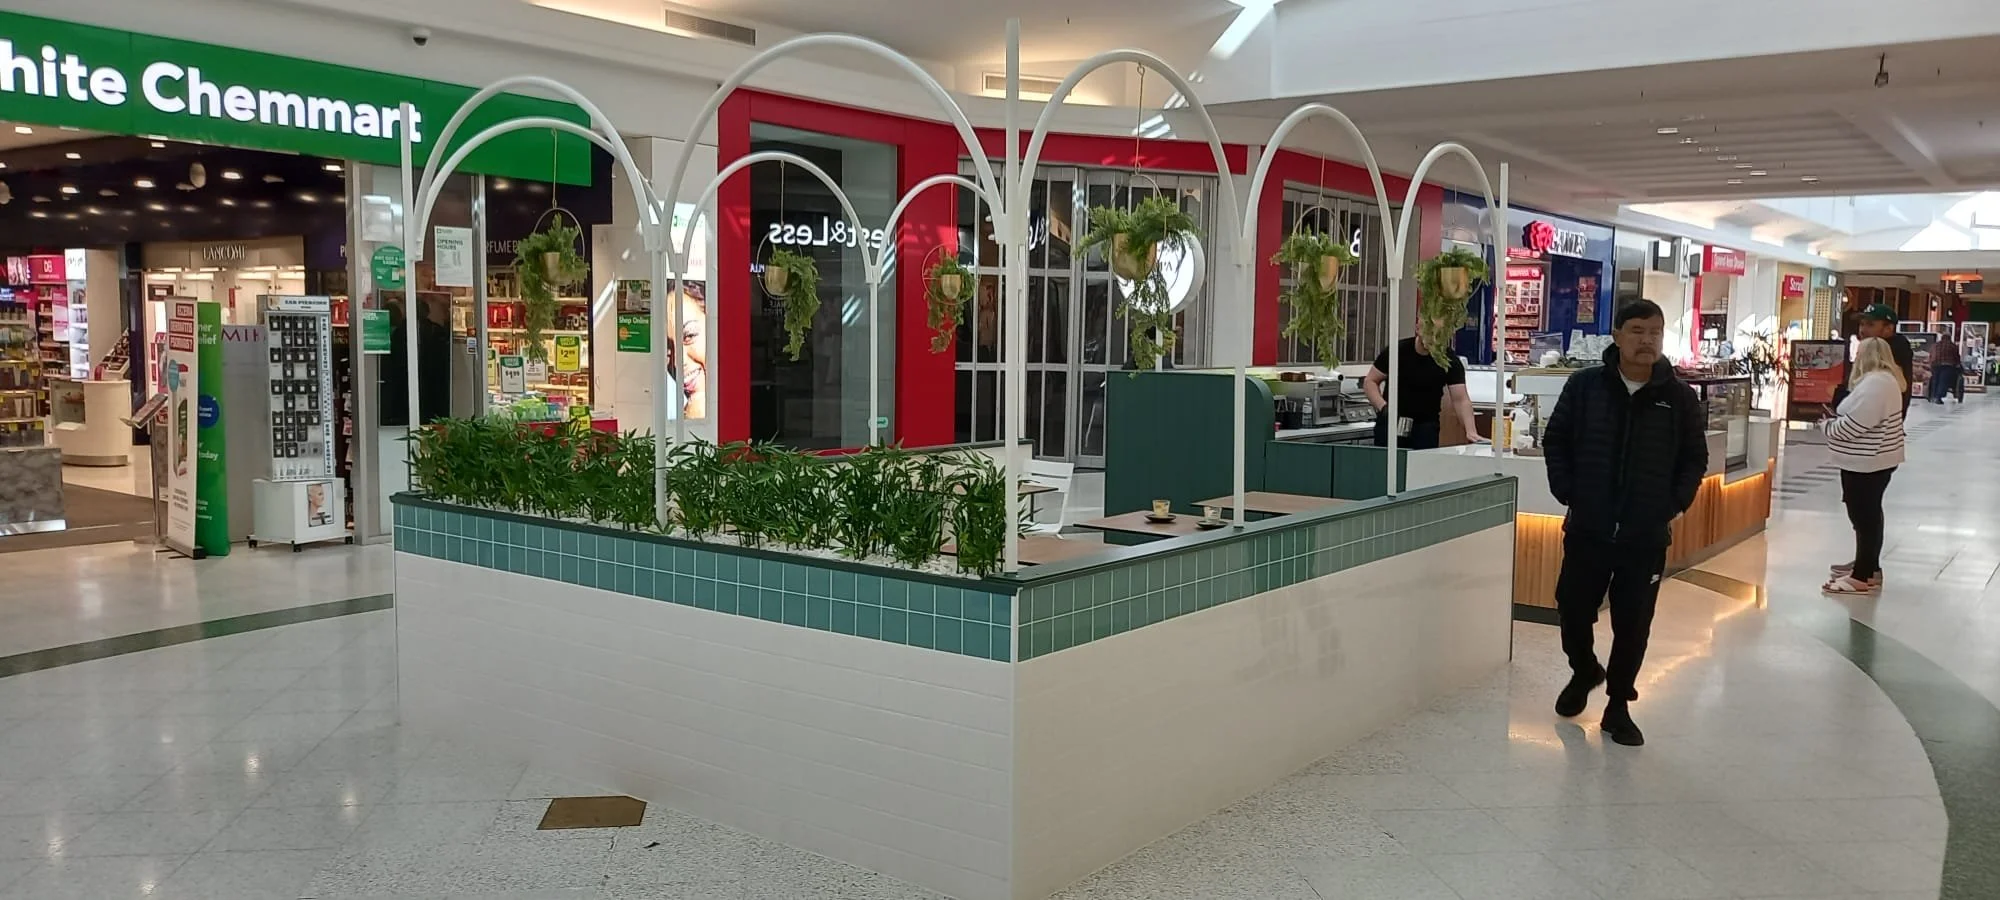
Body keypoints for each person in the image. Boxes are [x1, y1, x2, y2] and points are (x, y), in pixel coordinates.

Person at [1541, 300, 1708, 747]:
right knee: (1573, 609)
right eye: (1637, 330)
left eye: (1655, 331)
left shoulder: (1679, 397)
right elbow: (1555, 439)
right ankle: (1584, 670)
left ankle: (1618, 705)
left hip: (1644, 534)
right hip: (1589, 526)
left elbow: (1695, 458)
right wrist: (1568, 490)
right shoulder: (1584, 387)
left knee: (1633, 624)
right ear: (1616, 335)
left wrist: (1672, 503)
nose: (1647, 340)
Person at [1821, 338, 1907, 594]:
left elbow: (1855, 426)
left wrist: (1826, 426)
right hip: (1875, 459)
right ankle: (1867, 566)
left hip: (1867, 461)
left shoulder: (1876, 385)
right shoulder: (1885, 381)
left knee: (1864, 516)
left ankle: (1861, 575)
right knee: (1868, 515)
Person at [1363, 321, 1483, 450]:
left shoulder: (1448, 359)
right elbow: (1370, 381)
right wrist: (1383, 407)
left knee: (1422, 466)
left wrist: (1471, 431)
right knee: (1386, 466)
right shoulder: (1397, 351)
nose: (1432, 338)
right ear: (1417, 329)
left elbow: (1461, 399)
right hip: (1391, 422)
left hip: (1425, 426)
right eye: (1428, 332)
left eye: (1437, 334)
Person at [1846, 304, 1914, 416]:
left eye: (1870, 325)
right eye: (1862, 324)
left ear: (1888, 328)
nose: (1862, 330)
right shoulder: (1868, 349)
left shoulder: (1888, 353)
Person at [1928, 327, 1962, 404]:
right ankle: (1938, 397)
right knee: (1943, 381)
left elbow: (1931, 355)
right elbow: (1956, 358)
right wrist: (1958, 365)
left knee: (1935, 380)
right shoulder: (1953, 346)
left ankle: (1933, 396)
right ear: (1950, 338)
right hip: (1948, 366)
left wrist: (1930, 364)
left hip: (1935, 365)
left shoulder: (1935, 345)